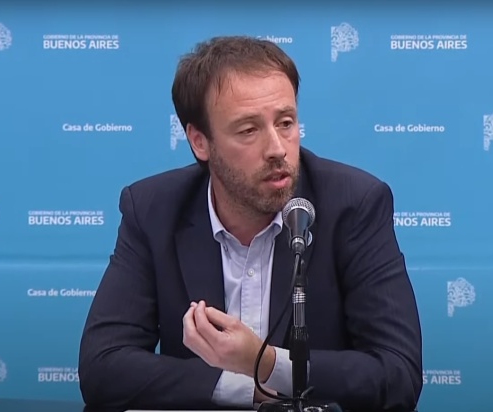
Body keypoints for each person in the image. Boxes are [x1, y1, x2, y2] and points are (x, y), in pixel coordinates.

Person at [78, 36, 423, 412]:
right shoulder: (153, 210)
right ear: (200, 142)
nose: (277, 148)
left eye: (286, 123)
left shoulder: (353, 204)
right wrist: (247, 387)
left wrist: (266, 363)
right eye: (248, 130)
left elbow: (398, 376)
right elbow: (103, 369)